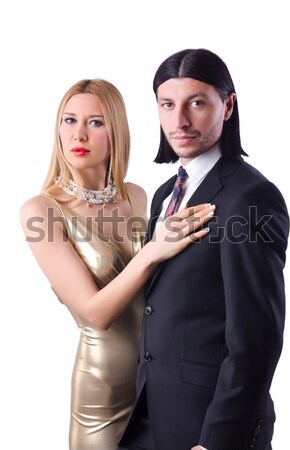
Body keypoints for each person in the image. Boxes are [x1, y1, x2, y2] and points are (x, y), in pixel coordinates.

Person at [19, 78, 214, 450]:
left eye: (95, 122)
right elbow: (95, 313)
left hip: (159, 380)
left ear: (116, 130)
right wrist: (154, 250)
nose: (79, 134)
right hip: (102, 393)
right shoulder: (42, 211)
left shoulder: (137, 196)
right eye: (69, 120)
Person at [119, 49, 290, 450]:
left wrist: (217, 441)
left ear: (227, 106)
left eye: (196, 103)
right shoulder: (165, 194)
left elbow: (256, 338)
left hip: (208, 427)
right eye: (167, 104)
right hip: (149, 419)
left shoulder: (251, 197)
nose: (178, 120)